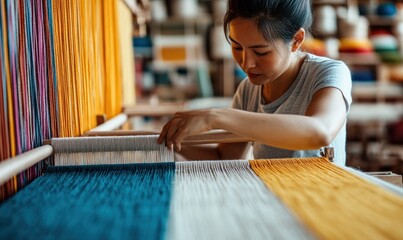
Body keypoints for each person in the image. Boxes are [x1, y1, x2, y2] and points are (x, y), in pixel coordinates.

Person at [158, 0, 352, 165]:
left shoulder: (329, 73)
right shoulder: (248, 90)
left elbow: (320, 132)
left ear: (296, 40)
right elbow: (225, 157)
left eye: (261, 52)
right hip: (271, 200)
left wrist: (214, 117)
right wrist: (166, 144)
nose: (246, 63)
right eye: (236, 47)